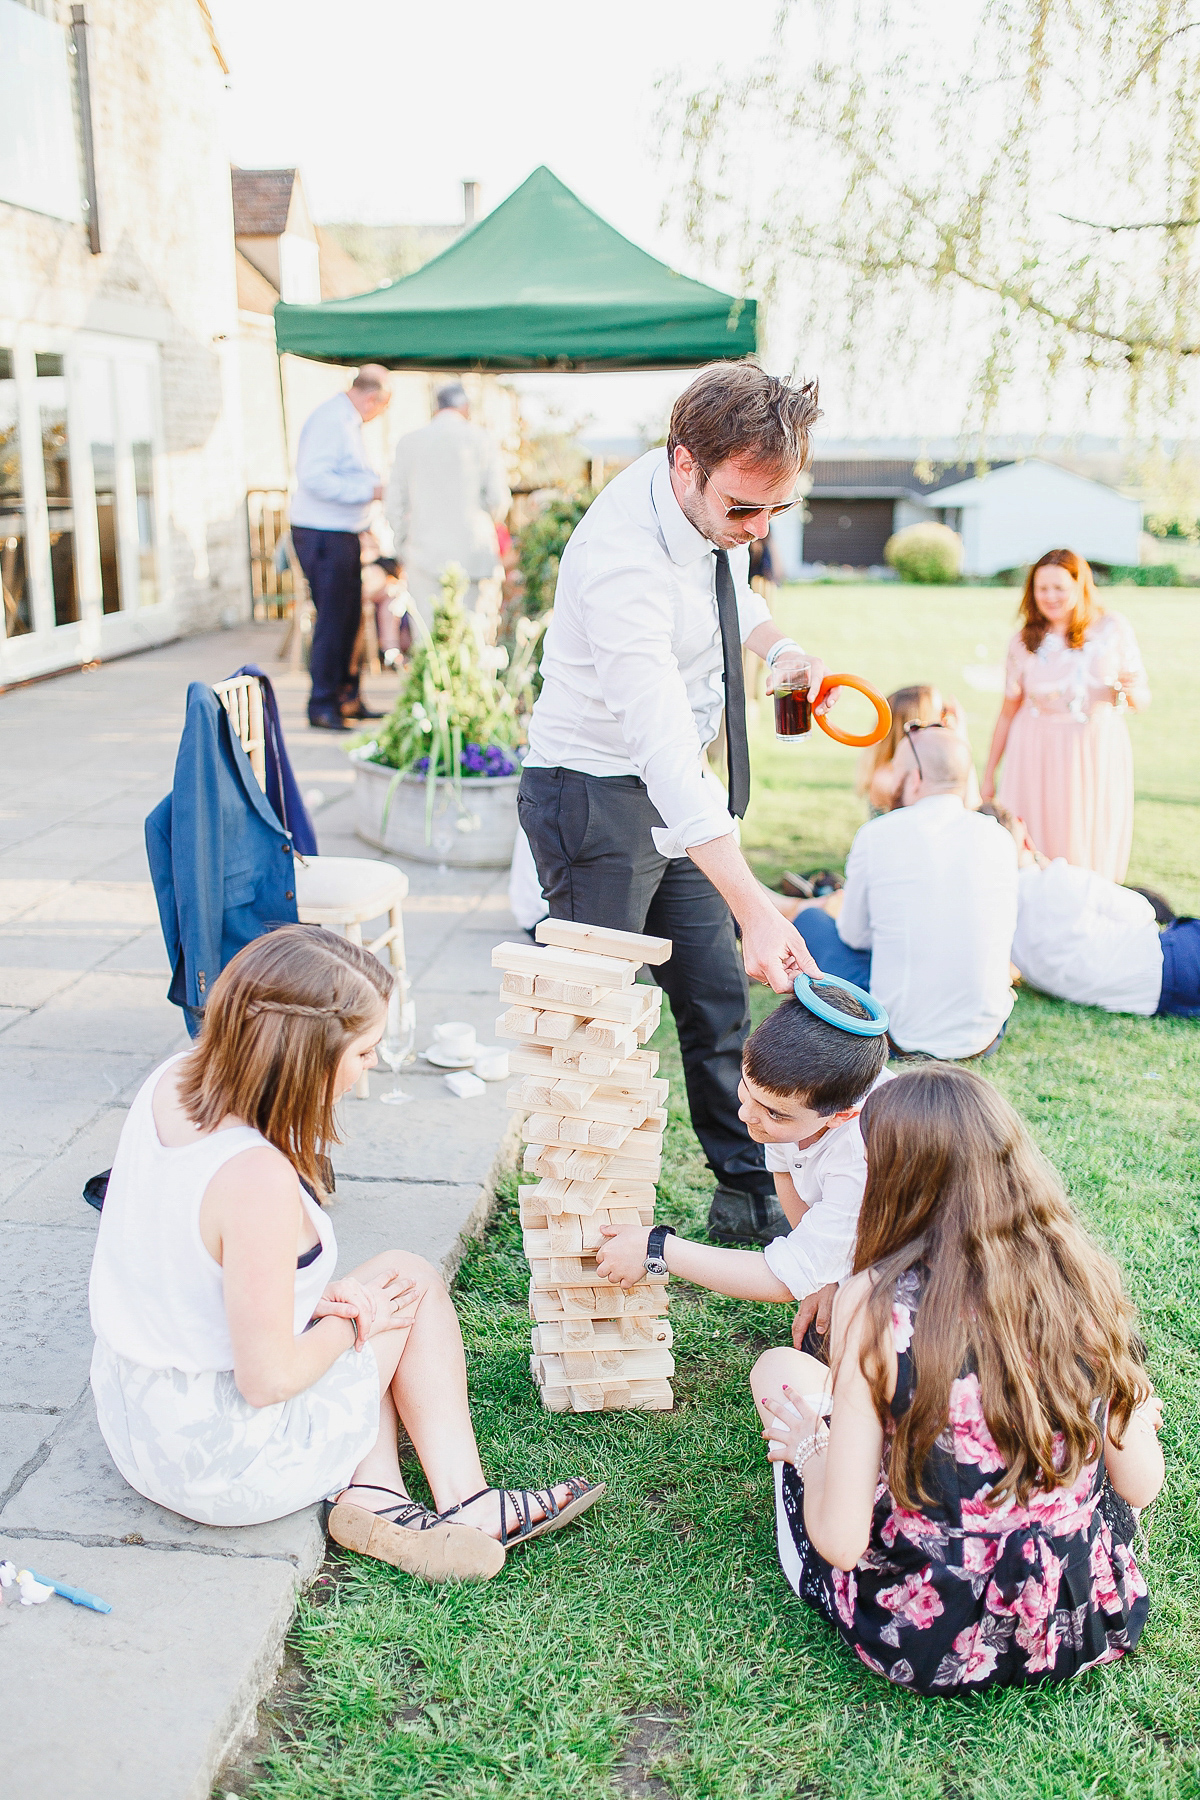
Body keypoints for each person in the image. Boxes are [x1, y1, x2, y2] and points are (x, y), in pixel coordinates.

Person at [88, 926, 601, 1581]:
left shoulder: (173, 1078)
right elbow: (267, 1379)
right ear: (304, 1056)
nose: (373, 1066)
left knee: (372, 1292)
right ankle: (463, 1501)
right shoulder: (254, 1179)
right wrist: (348, 1320)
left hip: (139, 1417)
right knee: (404, 1284)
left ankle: (377, 1489)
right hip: (220, 1463)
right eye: (365, 1051)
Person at [520, 362, 836, 1247]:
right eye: (744, 510)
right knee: (596, 1021)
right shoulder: (618, 559)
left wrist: (779, 646)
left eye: (778, 511)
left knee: (714, 1003)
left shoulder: (708, 516)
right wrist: (759, 908)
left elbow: (733, 594)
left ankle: (746, 1193)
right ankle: (586, 1225)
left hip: (675, 798)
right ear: (682, 463)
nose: (758, 531)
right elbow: (661, 748)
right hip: (592, 801)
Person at [751, 1063, 1164, 1695]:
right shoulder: (1080, 1281)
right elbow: (1140, 1485)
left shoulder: (876, 1301)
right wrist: (1130, 1409)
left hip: (929, 1635)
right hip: (1077, 1622)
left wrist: (814, 1448)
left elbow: (840, 1540)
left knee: (780, 1371)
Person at [595, 981, 891, 1353]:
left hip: (938, 1280)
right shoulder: (798, 1106)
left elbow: (781, 1281)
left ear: (840, 1116)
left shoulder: (862, 1156)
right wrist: (824, 1272)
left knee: (841, 1356)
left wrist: (659, 1248)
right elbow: (784, 1173)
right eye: (746, 1088)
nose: (745, 1114)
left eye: (773, 1113)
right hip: (877, 1247)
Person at [795, 726, 1018, 1059]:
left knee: (811, 920)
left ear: (915, 779)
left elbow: (855, 937)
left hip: (896, 1035)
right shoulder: (999, 837)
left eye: (895, 771)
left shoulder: (878, 834)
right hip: (985, 1038)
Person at [981, 549, 1150, 881]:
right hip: (1034, 751)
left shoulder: (1112, 628)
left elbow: (1141, 699)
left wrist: (1126, 690)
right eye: (1042, 589)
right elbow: (1006, 713)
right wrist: (988, 774)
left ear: (1079, 585)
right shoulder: (1023, 642)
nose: (1050, 597)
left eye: (1059, 587)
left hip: (1094, 750)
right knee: (1034, 842)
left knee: (1086, 840)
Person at [982, 803, 1200, 1018]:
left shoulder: (1000, 923)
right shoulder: (1061, 879)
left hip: (1165, 1001)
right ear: (1025, 839)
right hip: (1173, 961)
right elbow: (1143, 911)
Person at [290, 367, 393, 732]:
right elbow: (313, 477)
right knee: (334, 619)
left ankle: (348, 698)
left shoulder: (345, 421)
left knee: (350, 618)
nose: (379, 414)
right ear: (372, 398)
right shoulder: (331, 420)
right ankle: (322, 704)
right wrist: (370, 493)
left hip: (342, 532)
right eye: (382, 407)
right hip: (322, 533)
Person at [386, 381, 511, 638]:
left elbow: (394, 505)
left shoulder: (408, 443)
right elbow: (498, 500)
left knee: (428, 642)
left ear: (436, 408)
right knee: (473, 638)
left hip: (424, 553)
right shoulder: (483, 439)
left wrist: (403, 545)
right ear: (465, 408)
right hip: (473, 553)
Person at [856, 684, 979, 817]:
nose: (946, 721)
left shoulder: (922, 767)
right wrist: (960, 739)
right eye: (942, 713)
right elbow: (970, 807)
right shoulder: (885, 778)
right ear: (918, 725)